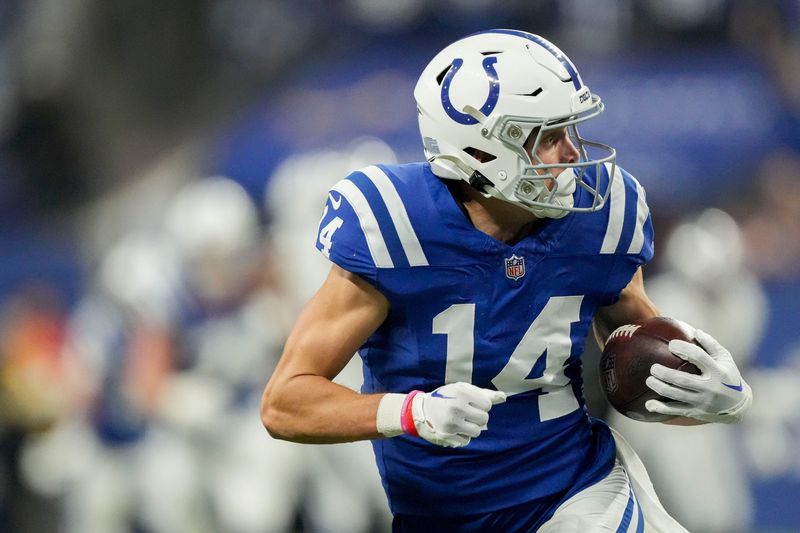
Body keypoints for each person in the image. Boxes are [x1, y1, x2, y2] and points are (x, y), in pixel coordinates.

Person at [260, 30, 753, 532]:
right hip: (438, 514)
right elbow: (286, 403)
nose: (571, 153)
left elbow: (639, 361)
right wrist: (413, 413)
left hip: (576, 493)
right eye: (547, 137)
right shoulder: (397, 226)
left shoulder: (602, 215)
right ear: (479, 150)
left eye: (571, 130)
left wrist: (717, 399)